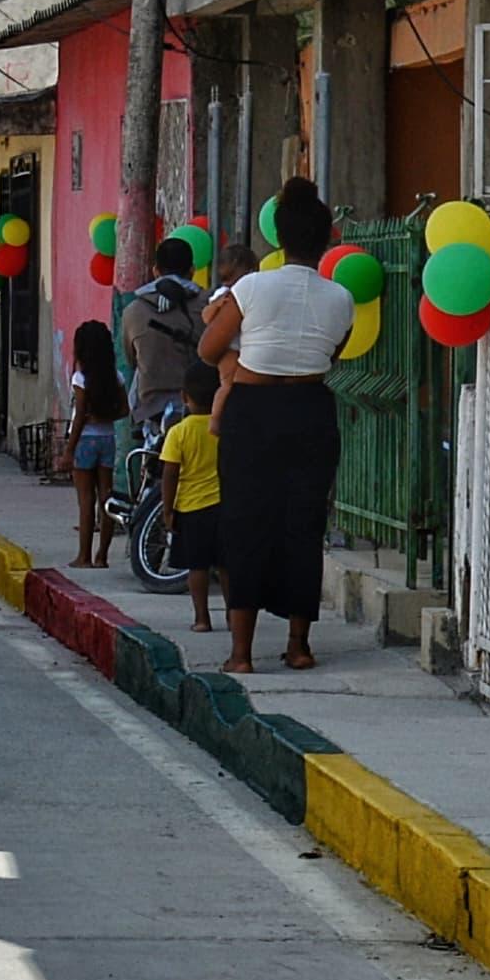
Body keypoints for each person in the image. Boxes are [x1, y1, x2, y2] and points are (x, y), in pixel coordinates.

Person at [198, 181, 354, 674]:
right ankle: (298, 645)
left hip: (253, 409)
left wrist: (243, 351)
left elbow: (206, 350)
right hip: (311, 409)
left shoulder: (251, 287)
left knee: (245, 522)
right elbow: (335, 351)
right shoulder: (341, 297)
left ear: (278, 239)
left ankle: (241, 654)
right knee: (303, 525)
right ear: (326, 239)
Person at [154, 362, 224, 635]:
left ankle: (202, 618)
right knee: (226, 565)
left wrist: (168, 510)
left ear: (185, 396)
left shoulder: (179, 432)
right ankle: (233, 614)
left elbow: (170, 473)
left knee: (198, 567)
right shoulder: (223, 428)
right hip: (223, 506)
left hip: (191, 508)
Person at [121, 231, 209, 422]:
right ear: (192, 270)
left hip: (151, 407)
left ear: (156, 271)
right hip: (202, 403)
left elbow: (132, 360)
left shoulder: (132, 310)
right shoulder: (208, 304)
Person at [68, 314, 128, 567]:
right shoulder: (116, 377)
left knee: (85, 502)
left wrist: (68, 450)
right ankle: (102, 556)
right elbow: (124, 411)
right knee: (106, 499)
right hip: (107, 439)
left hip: (85, 442)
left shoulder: (81, 379)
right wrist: (105, 415)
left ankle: (83, 556)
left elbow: (79, 415)